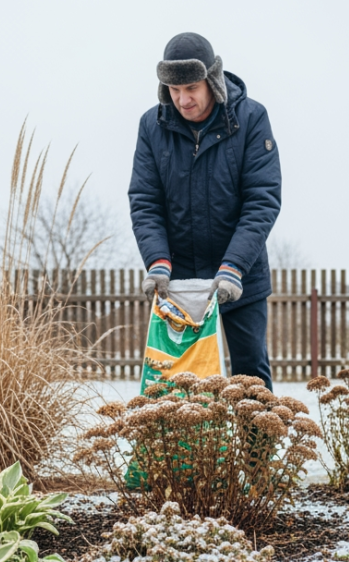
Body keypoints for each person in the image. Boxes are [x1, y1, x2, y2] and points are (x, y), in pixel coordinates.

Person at [129, 31, 282, 390]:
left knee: (249, 376)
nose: (183, 100)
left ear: (212, 80)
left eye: (191, 89)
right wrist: (156, 261)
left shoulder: (251, 118)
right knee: (178, 380)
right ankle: (187, 449)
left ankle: (257, 449)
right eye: (174, 90)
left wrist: (234, 267)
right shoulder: (152, 127)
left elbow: (262, 198)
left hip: (240, 276)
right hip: (179, 281)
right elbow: (145, 199)